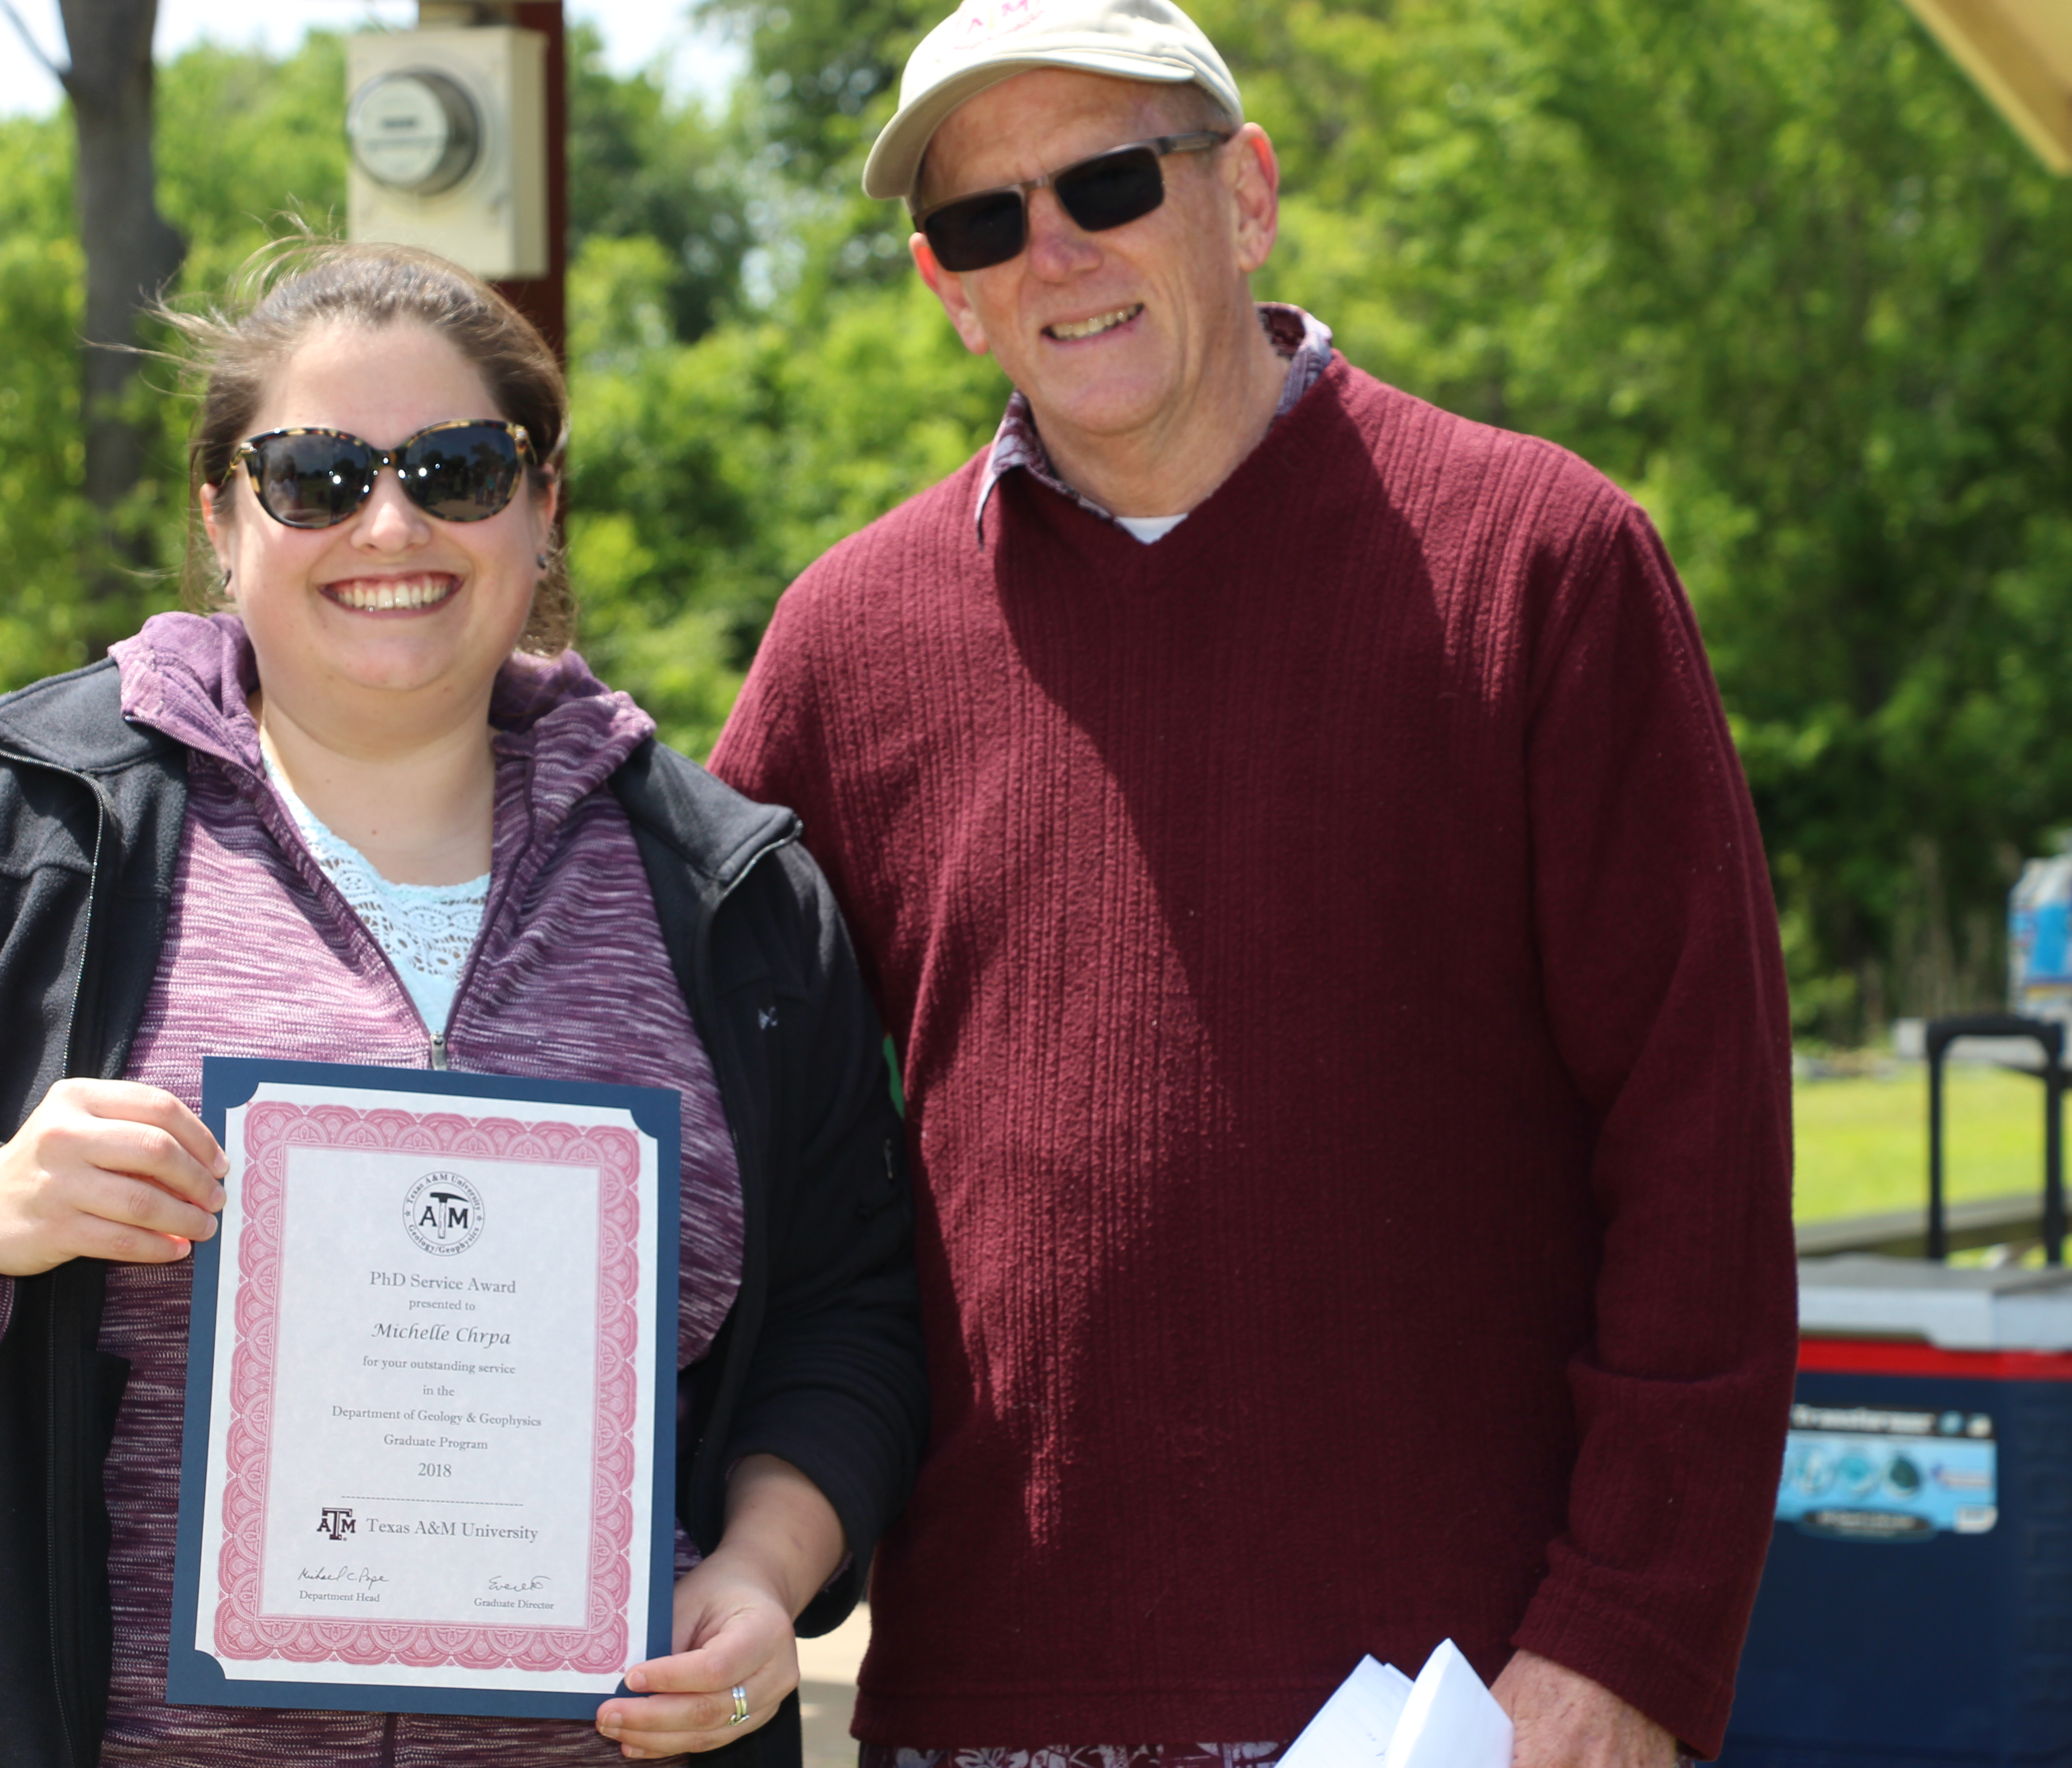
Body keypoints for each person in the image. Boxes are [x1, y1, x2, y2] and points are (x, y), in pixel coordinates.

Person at [0, 237, 927, 1768]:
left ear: (542, 503)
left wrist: (767, 1573)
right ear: (220, 516)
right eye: (315, 473)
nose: (392, 522)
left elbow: (851, 1311)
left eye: (457, 467)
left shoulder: (730, 890)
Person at [707, 3, 1797, 1766]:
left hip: (1464, 1711)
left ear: (1247, 196)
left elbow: (1704, 1160)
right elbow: (697, 1108)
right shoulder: (850, 642)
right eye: (987, 223)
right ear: (947, 287)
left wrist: (1629, 1641)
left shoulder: (1545, 564)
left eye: (1109, 181)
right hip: (990, 1697)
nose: (1054, 251)